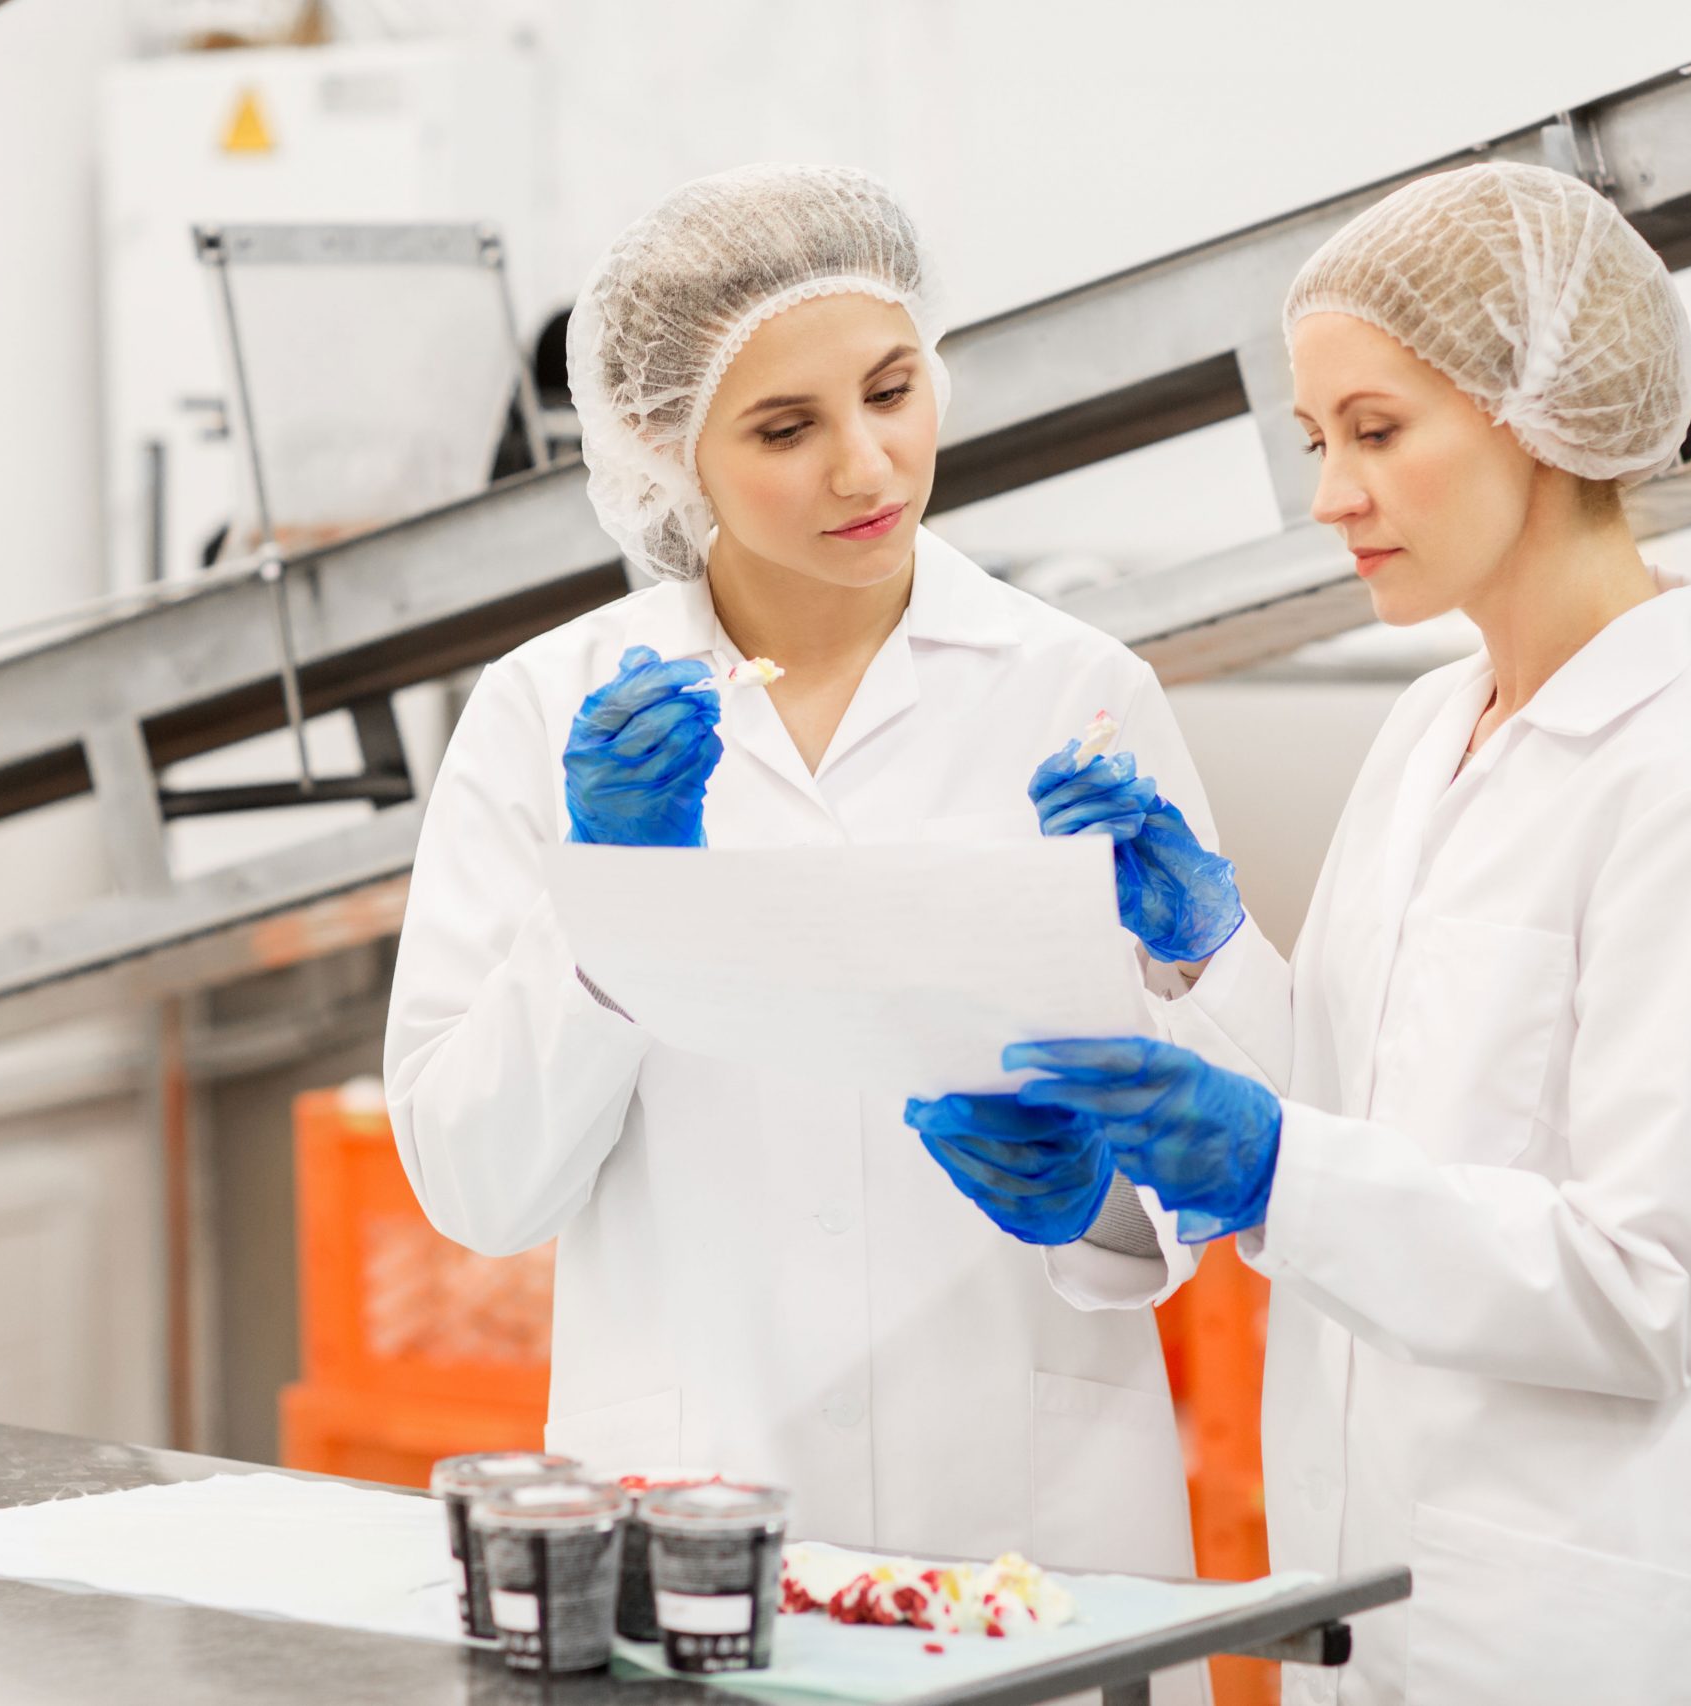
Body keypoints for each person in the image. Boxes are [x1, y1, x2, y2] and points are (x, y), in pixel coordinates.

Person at [909, 163, 1691, 1705]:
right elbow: (1371, 1108)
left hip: (1582, 1639)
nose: (1329, 495)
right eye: (1317, 441)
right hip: (1370, 1610)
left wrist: (1268, 1167)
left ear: (1537, 413)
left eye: (1376, 431)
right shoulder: (1435, 726)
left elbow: (1640, 1287)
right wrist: (1208, 961)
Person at [382, 164, 1250, 1608]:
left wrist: (1106, 1197)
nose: (868, 467)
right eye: (786, 426)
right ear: (667, 448)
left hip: (1029, 1503)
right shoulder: (552, 714)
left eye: (894, 390)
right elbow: (477, 1187)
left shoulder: (1074, 689)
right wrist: (602, 908)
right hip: (702, 1503)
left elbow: (1223, 1129)